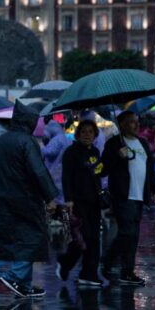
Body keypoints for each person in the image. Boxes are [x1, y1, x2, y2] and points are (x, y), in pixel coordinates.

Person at [0, 101, 58, 298]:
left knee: (17, 239)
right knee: (33, 238)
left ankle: (24, 284)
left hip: (3, 197)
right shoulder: (27, 142)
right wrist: (50, 197)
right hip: (26, 198)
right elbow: (39, 172)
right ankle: (14, 275)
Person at [102, 111, 155, 286]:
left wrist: (154, 190)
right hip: (122, 196)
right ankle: (121, 268)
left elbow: (149, 168)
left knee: (132, 235)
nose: (135, 125)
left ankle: (115, 263)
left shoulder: (142, 142)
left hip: (139, 196)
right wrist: (117, 157)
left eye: (136, 121)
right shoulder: (113, 144)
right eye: (130, 122)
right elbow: (103, 170)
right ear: (121, 125)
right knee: (128, 232)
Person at [56, 120, 104, 287]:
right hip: (78, 202)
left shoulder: (96, 152)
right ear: (77, 134)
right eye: (83, 131)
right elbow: (66, 177)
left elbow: (99, 173)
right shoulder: (71, 152)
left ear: (95, 134)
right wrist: (68, 199)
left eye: (91, 132)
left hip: (95, 202)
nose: (87, 134)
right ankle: (69, 263)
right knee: (84, 238)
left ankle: (88, 273)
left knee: (94, 239)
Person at [43, 120, 73, 204]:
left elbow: (50, 152)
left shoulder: (56, 139)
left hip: (55, 171)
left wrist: (41, 148)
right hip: (62, 169)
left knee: (57, 195)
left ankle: (59, 212)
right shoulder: (65, 137)